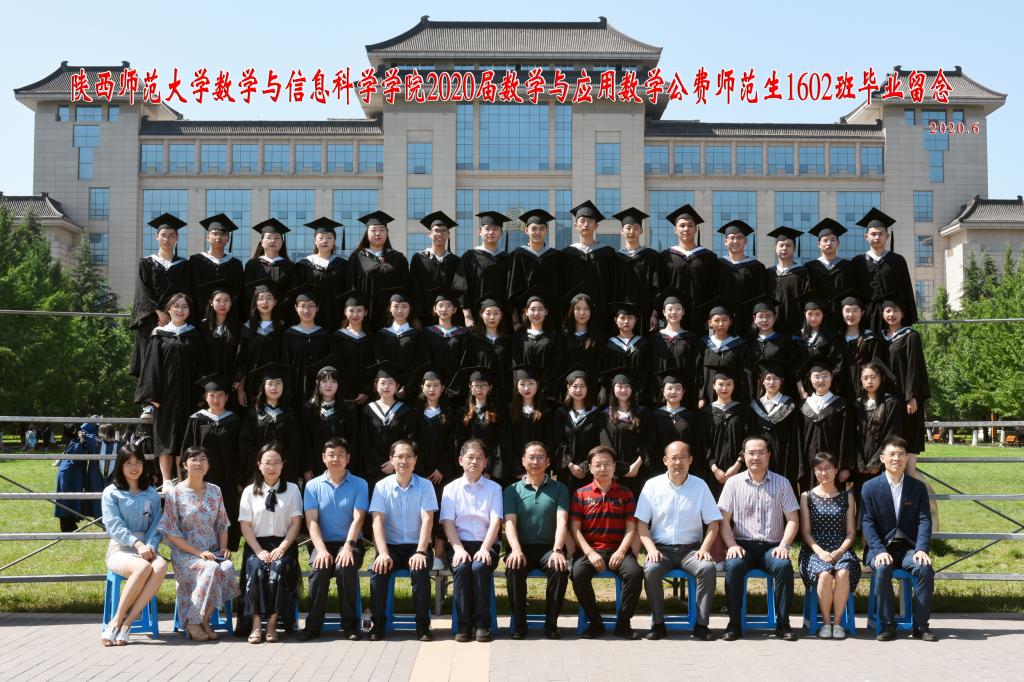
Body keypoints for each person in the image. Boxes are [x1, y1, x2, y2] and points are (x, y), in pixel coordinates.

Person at [635, 441, 721, 641]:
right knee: (651, 569)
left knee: (707, 568)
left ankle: (701, 625)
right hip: (661, 550)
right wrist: (651, 549)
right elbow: (641, 524)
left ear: (690, 460)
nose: (678, 462)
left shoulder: (700, 486)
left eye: (683, 458)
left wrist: (705, 549)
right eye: (673, 458)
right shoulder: (652, 485)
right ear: (665, 460)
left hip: (691, 551)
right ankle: (658, 624)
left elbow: (713, 523)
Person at [718, 435, 800, 642]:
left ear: (769, 455)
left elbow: (793, 519)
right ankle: (734, 624)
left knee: (783, 566)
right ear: (744, 456)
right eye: (751, 453)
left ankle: (783, 624)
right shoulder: (733, 483)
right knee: (734, 565)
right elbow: (723, 520)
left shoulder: (782, 483)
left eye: (761, 452)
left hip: (772, 547)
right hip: (742, 545)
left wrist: (784, 545)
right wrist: (731, 545)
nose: (756, 457)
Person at [159, 446, 239, 642]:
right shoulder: (175, 493)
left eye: (203, 459)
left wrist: (223, 547)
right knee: (211, 568)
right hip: (185, 555)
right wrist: (197, 552)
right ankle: (193, 621)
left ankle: (204, 619)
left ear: (208, 465)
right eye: (193, 459)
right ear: (185, 465)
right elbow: (170, 531)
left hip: (211, 552)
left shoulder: (215, 491)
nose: (198, 463)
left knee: (227, 567)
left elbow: (222, 523)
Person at [861, 436, 937, 641]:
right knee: (883, 568)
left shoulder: (917, 487)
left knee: (924, 568)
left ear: (906, 458)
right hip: (880, 547)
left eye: (901, 454)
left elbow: (925, 520)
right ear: (882, 458)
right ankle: (888, 625)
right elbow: (867, 523)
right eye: (892, 454)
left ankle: (920, 626)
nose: (897, 458)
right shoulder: (870, 487)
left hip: (907, 547)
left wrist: (921, 549)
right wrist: (879, 550)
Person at [298, 437, 369, 641]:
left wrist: (348, 546)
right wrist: (321, 550)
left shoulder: (360, 484)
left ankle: (350, 625)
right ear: (323, 458)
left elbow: (358, 519)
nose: (335, 459)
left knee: (344, 567)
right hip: (322, 543)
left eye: (340, 455)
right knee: (319, 568)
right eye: (331, 454)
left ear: (348, 458)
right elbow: (311, 521)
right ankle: (313, 625)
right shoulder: (312, 485)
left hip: (351, 542)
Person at [570, 445, 644, 639]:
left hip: (618, 550)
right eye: (598, 465)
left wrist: (621, 551)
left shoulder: (625, 493)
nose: (603, 468)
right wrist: (590, 553)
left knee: (635, 573)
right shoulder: (580, 494)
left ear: (614, 467)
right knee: (577, 574)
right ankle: (595, 622)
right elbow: (575, 529)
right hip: (590, 551)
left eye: (607, 464)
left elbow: (631, 527)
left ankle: (623, 624)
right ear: (590, 468)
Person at [367, 440, 438, 642]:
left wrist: (421, 551)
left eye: (408, 456)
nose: (403, 461)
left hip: (417, 546)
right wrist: (382, 553)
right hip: (390, 547)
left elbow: (428, 519)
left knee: (420, 571)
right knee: (378, 571)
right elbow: (377, 520)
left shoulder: (425, 485)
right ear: (391, 460)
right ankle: (378, 625)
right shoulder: (382, 486)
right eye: (399, 456)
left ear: (415, 460)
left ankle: (423, 626)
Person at [503, 441, 571, 640]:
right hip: (521, 547)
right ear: (523, 461)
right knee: (514, 566)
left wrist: (558, 550)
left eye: (540, 457)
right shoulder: (512, 490)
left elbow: (562, 522)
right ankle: (519, 625)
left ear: (548, 461)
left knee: (559, 567)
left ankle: (551, 624)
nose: (535, 461)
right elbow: (509, 523)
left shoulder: (560, 489)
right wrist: (516, 549)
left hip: (549, 548)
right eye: (531, 457)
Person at [100, 446, 166, 646]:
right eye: (128, 463)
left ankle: (127, 625)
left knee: (160, 566)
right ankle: (115, 621)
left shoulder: (151, 493)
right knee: (143, 567)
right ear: (120, 466)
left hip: (147, 548)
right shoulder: (111, 493)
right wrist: (137, 544)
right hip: (121, 548)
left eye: (138, 462)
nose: (134, 467)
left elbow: (157, 525)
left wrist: (150, 545)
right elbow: (113, 525)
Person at [134, 291, 202, 488]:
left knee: (184, 438)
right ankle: (166, 479)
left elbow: (200, 366)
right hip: (165, 397)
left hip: (188, 395)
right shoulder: (159, 335)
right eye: (176, 306)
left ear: (189, 311)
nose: (180, 310)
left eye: (184, 306)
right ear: (169, 310)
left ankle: (181, 478)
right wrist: (153, 397)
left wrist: (200, 395)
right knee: (165, 438)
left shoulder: (194, 335)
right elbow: (151, 366)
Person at [440, 440, 503, 643]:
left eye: (479, 458)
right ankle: (464, 625)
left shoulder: (494, 489)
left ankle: (482, 624)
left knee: (479, 567)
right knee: (462, 568)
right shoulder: (450, 489)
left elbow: (496, 521)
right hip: (459, 543)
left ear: (485, 462)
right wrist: (458, 549)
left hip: (487, 543)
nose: (474, 461)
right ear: (461, 460)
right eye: (470, 457)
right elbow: (448, 522)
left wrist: (485, 548)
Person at [238, 444, 302, 643]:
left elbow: (296, 523)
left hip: (284, 544)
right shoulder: (249, 492)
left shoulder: (292, 490)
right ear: (259, 465)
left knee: (278, 567)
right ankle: (256, 624)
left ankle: (273, 623)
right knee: (257, 568)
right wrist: (258, 550)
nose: (272, 467)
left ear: (283, 465)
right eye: (267, 463)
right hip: (256, 545)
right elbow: (245, 525)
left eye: (276, 462)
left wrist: (282, 548)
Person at [798, 451, 861, 639]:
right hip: (814, 549)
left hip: (842, 548)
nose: (823, 473)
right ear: (814, 471)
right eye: (819, 469)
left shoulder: (847, 497)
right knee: (824, 575)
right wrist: (820, 551)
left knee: (843, 572)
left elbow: (851, 532)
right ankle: (826, 623)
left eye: (828, 468)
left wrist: (840, 551)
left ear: (836, 470)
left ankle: (838, 623)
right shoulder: (807, 496)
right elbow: (805, 532)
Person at [182, 374, 244, 551]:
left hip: (227, 476)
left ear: (227, 397)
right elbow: (187, 449)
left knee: (226, 510)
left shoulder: (234, 421)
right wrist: (186, 475)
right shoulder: (197, 419)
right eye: (212, 396)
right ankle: (200, 547)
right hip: (202, 476)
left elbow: (240, 451)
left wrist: (239, 478)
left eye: (220, 395)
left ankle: (225, 549)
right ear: (206, 397)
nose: (216, 400)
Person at [130, 212, 192, 376]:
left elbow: (185, 292)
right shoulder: (146, 262)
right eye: (163, 235)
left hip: (176, 319)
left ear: (177, 238)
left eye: (171, 235)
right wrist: (158, 311)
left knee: (173, 367)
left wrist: (171, 314)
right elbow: (142, 291)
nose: (167, 239)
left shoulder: (184, 265)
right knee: (150, 366)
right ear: (156, 237)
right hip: (151, 320)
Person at [881, 294, 930, 469]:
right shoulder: (880, 338)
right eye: (888, 311)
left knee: (908, 458)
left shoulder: (911, 336)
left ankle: (919, 487)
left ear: (902, 313)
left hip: (906, 400)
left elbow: (914, 367)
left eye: (896, 311)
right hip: (887, 399)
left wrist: (912, 396)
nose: (891, 314)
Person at [853, 208, 919, 330]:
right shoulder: (858, 261)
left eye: (881, 234)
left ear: (887, 236)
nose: (877, 237)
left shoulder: (897, 260)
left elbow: (906, 289)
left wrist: (908, 317)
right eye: (873, 234)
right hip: (866, 317)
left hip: (891, 315)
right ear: (866, 237)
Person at [658, 204, 716, 334]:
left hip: (700, 315)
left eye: (690, 225)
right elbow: (661, 287)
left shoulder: (708, 257)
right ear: (675, 230)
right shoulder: (665, 257)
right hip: (674, 315)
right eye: (682, 225)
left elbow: (713, 287)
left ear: (696, 229)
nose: (686, 229)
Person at [560, 201, 616, 335]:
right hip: (573, 310)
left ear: (596, 226)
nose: (586, 224)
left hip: (601, 310)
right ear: (575, 226)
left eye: (590, 221)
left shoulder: (607, 253)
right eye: (582, 221)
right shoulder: (566, 254)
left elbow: (613, 284)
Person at [347, 211, 408, 332]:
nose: (378, 233)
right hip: (365, 313)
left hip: (393, 313)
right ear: (367, 233)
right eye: (373, 230)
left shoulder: (398, 258)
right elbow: (350, 287)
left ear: (387, 232)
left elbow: (406, 286)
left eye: (382, 230)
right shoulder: (357, 257)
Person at [301, 357, 357, 479]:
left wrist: (349, 465)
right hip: (316, 465)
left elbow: (353, 439)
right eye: (325, 381)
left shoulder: (348, 408)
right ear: (317, 383)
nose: (329, 385)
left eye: (333, 381)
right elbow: (306, 440)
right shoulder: (309, 409)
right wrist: (308, 467)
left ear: (338, 384)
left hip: (341, 464)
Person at [456, 211, 512, 326]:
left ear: (501, 232)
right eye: (487, 229)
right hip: (476, 315)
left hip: (502, 317)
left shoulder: (507, 258)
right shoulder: (469, 257)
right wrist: (467, 316)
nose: (491, 232)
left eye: (495, 229)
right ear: (480, 231)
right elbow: (462, 288)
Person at [280, 285, 331, 410]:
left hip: (319, 386)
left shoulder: (324, 335)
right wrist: (288, 389)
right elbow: (285, 363)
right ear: (295, 308)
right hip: (295, 386)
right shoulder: (289, 334)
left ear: (317, 308)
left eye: (311, 306)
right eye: (302, 306)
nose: (307, 310)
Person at [552, 367, 602, 492]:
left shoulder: (596, 413)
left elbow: (599, 442)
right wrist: (569, 464)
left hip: (590, 471)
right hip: (567, 472)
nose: (578, 390)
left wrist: (585, 466)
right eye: (574, 386)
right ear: (568, 388)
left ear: (588, 388)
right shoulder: (561, 413)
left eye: (582, 386)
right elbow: (558, 441)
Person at [234, 278, 283, 407]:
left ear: (275, 302)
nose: (265, 302)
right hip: (252, 382)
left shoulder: (282, 328)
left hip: (275, 384)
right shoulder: (247, 328)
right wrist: (240, 387)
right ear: (255, 302)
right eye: (260, 298)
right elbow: (242, 359)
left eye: (269, 298)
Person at [293, 217, 347, 332]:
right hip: (310, 315)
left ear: (334, 241)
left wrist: (345, 317)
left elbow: (346, 292)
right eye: (321, 237)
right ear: (315, 241)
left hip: (335, 315)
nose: (325, 241)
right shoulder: (304, 265)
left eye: (329, 238)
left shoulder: (342, 265)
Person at [511, 289, 563, 405]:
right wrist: (521, 387)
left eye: (540, 309)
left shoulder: (554, 337)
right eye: (532, 309)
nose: (536, 313)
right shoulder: (519, 337)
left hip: (547, 393)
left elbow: (556, 365)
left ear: (546, 312)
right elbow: (515, 364)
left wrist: (546, 388)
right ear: (526, 312)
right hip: (524, 391)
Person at [714, 220, 769, 328]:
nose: (735, 241)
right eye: (731, 238)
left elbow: (761, 295)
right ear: (725, 241)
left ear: (745, 241)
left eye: (739, 237)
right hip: (721, 321)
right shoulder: (716, 265)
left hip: (747, 320)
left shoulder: (756, 267)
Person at [409, 211, 460, 328]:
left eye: (443, 231)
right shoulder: (419, 258)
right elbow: (414, 288)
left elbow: (458, 290)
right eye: (436, 231)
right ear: (430, 234)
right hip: (424, 315)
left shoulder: (455, 260)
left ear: (448, 235)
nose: (440, 234)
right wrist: (415, 316)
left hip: (448, 315)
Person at [803, 218, 855, 332]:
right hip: (818, 316)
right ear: (819, 244)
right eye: (825, 240)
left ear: (838, 243)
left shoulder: (847, 266)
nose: (829, 243)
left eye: (832, 240)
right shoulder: (810, 267)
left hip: (841, 316)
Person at [612, 208, 659, 331]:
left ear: (641, 231)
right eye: (628, 228)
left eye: (636, 228)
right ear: (622, 231)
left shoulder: (652, 256)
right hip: (621, 314)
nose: (631, 231)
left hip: (645, 312)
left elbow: (657, 287)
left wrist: (654, 313)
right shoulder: (615, 258)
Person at [191, 213, 244, 320]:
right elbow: (193, 289)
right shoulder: (196, 261)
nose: (218, 237)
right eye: (215, 234)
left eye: (223, 234)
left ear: (228, 238)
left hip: (228, 315)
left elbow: (238, 292)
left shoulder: (235, 264)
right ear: (207, 237)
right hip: (201, 315)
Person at [507, 208, 560, 314]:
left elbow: (559, 286)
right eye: (534, 228)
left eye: (542, 229)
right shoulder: (518, 255)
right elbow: (513, 287)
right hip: (524, 312)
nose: (538, 232)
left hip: (550, 312)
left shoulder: (554, 255)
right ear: (526, 230)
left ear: (546, 231)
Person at [243, 218, 294, 322]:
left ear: (282, 242)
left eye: (277, 238)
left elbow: (291, 292)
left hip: (283, 317)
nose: (272, 241)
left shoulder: (290, 266)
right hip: (257, 315)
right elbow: (247, 292)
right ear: (261, 242)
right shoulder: (252, 265)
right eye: (268, 237)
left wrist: (279, 310)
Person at [765, 226, 811, 336]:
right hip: (771, 328)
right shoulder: (768, 273)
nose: (784, 248)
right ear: (776, 248)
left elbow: (807, 301)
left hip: (796, 327)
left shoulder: (803, 273)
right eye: (781, 245)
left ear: (794, 248)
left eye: (788, 245)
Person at [55, 421, 100, 533]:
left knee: (73, 498)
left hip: (74, 473)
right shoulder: (74, 440)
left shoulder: (79, 438)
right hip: (69, 473)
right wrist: (81, 440)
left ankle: (71, 525)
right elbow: (76, 458)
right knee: (66, 499)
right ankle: (67, 527)